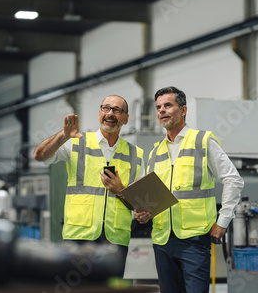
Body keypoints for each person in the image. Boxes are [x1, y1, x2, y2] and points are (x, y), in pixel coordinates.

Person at [134, 86, 244, 293]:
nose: (162, 111)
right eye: (158, 107)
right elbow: (146, 193)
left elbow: (234, 180)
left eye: (168, 105)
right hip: (162, 239)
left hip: (194, 239)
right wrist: (141, 211)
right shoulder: (155, 151)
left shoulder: (203, 141)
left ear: (183, 110)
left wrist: (222, 222)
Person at [33, 95, 144, 276]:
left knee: (109, 289)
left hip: (115, 239)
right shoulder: (76, 141)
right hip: (79, 236)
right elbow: (40, 155)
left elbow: (140, 205)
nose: (110, 114)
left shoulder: (136, 154)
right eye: (106, 108)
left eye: (117, 110)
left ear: (126, 118)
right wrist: (63, 135)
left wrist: (120, 190)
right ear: (99, 113)